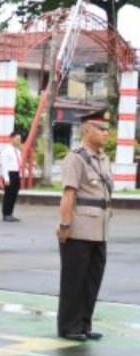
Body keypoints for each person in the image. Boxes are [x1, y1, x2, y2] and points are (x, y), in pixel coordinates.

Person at [57, 108, 113, 342]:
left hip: (99, 230)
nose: (105, 134)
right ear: (87, 130)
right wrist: (65, 225)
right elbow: (69, 195)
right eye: (101, 129)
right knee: (74, 280)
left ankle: (84, 324)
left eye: (107, 130)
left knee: (92, 280)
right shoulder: (76, 158)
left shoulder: (103, 159)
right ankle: (68, 326)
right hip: (79, 229)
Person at [1, 132, 23, 222]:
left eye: (19, 139)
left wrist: (20, 175)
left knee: (14, 195)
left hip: (16, 174)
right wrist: (6, 178)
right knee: (8, 195)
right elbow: (4, 165)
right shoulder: (7, 151)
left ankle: (10, 213)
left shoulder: (18, 151)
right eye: (17, 139)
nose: (19, 141)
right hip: (10, 174)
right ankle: (6, 214)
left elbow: (19, 164)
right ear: (12, 139)